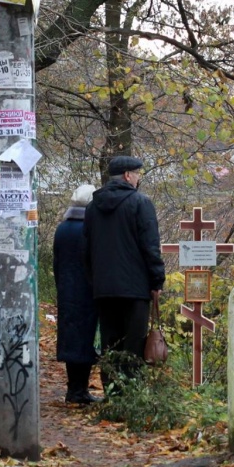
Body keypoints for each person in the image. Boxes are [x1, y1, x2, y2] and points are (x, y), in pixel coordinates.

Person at [82, 156, 165, 387]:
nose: (138, 178)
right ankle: (131, 394)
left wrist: (95, 281)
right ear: (128, 175)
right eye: (137, 174)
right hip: (135, 289)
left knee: (110, 343)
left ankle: (112, 393)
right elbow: (150, 246)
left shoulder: (92, 207)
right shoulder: (141, 203)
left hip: (104, 289)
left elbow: (86, 250)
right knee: (134, 346)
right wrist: (157, 281)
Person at [53, 184, 101, 404]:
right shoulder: (90, 229)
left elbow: (57, 262)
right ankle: (79, 391)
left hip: (67, 291)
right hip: (87, 291)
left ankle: (73, 388)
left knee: (71, 339)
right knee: (86, 340)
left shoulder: (62, 229)